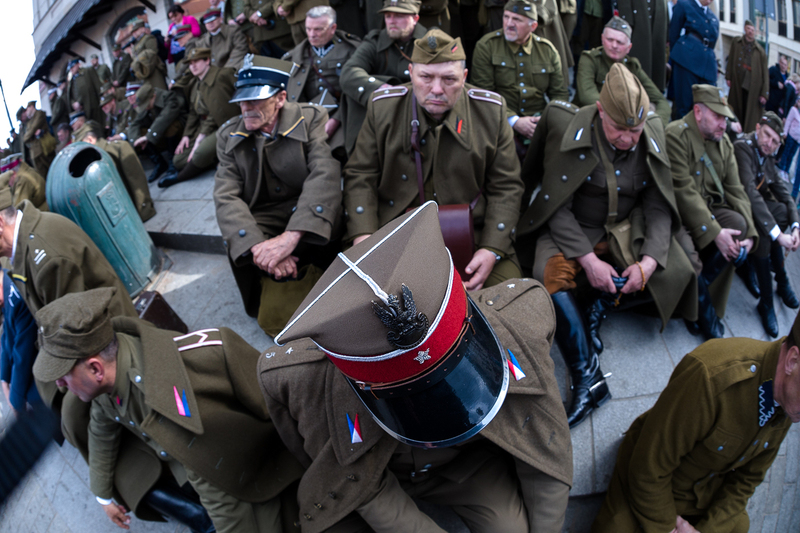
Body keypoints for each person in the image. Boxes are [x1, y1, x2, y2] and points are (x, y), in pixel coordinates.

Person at [261, 202, 573, 532]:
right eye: (402, 388)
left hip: (467, 466)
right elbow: (344, 473)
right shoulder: (301, 379)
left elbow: (543, 439)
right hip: (381, 474)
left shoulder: (518, 318)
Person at [31, 287, 304, 533]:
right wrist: (102, 495)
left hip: (254, 479)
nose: (60, 385)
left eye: (63, 376)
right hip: (199, 474)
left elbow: (221, 497)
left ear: (95, 369)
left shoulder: (176, 394)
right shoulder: (110, 374)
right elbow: (101, 431)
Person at [516, 63, 694, 427]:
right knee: (547, 276)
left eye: (636, 130)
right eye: (620, 129)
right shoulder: (566, 124)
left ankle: (600, 302)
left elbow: (659, 204)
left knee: (677, 272)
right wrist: (588, 261)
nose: (629, 139)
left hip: (627, 228)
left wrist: (646, 263)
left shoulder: (653, 131)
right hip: (575, 226)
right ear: (600, 111)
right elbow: (555, 204)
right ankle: (588, 377)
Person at [344, 29, 524, 291]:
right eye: (426, 77)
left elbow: (507, 187)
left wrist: (491, 249)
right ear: (411, 73)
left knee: (505, 302)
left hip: (472, 236)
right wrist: (364, 236)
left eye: (449, 79)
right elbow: (361, 175)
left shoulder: (491, 112)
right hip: (392, 235)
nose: (437, 89)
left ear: (464, 77)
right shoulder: (383, 107)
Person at [592, 308, 800, 533]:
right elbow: (648, 468)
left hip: (701, 493)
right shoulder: (713, 378)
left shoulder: (789, 399)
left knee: (739, 526)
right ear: (793, 360)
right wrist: (668, 528)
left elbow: (746, 482)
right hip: (651, 483)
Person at [214, 55, 342, 334]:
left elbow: (324, 172)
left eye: (256, 100)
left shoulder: (310, 118)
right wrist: (260, 249)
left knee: (330, 219)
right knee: (236, 239)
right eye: (242, 101)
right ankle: (268, 286)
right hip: (264, 217)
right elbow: (226, 195)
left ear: (281, 98)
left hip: (304, 207)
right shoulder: (228, 136)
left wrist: (291, 237)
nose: (246, 108)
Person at [666, 85, 757, 339]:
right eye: (717, 116)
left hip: (708, 211)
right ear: (697, 112)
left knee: (738, 227)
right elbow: (684, 192)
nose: (723, 124)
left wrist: (749, 235)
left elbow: (736, 189)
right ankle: (701, 314)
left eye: (725, 118)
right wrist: (716, 232)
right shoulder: (676, 135)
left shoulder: (723, 142)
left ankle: (702, 300)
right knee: (689, 257)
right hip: (677, 214)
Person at [734, 112, 800, 337]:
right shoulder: (744, 147)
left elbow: (785, 193)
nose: (769, 144)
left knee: (780, 212)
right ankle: (768, 299)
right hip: (737, 208)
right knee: (767, 231)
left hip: (754, 210)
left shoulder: (767, 155)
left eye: (774, 141)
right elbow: (750, 194)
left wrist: (796, 226)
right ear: (757, 127)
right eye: (767, 135)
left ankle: (779, 282)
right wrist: (779, 236)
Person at [471, 0, 569, 147]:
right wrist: (514, 121)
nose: (509, 23)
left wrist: (546, 122)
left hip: (539, 122)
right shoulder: (487, 46)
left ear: (533, 26)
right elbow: (484, 94)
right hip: (500, 120)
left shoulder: (547, 50)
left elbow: (559, 94)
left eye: (517, 19)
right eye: (506, 17)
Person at [339, 0, 427, 154]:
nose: (392, 21)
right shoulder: (375, 41)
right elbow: (349, 72)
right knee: (354, 93)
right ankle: (361, 154)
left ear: (415, 18)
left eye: (399, 16)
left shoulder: (430, 42)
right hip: (381, 111)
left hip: (420, 109)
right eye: (388, 16)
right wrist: (382, 89)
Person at [282, 5, 361, 161]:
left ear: (333, 28)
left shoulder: (351, 51)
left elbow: (356, 91)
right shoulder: (296, 55)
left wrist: (336, 119)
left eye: (318, 29)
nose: (312, 35)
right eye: (308, 29)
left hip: (343, 112)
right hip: (307, 114)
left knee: (340, 149)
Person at [574, 15, 670, 124]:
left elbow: (660, 100)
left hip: (624, 124)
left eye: (620, 42)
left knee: (651, 108)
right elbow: (587, 96)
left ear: (629, 47)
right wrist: (623, 113)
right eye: (610, 40)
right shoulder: (590, 59)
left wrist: (655, 125)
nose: (614, 45)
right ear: (602, 39)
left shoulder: (632, 66)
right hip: (592, 118)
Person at [166, 47, 239, 188]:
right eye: (190, 63)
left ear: (207, 61)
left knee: (199, 154)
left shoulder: (221, 76)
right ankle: (214, 158)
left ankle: (180, 177)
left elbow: (217, 112)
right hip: (205, 126)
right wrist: (186, 135)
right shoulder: (196, 83)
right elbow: (194, 112)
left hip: (224, 125)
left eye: (196, 61)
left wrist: (200, 137)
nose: (192, 66)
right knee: (179, 159)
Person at [73, 121, 156, 222]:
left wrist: (144, 210)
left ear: (90, 140)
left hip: (131, 213)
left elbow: (136, 180)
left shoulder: (118, 148)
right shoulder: (89, 161)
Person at [0, 266, 43, 415]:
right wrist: (4, 377)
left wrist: (15, 400)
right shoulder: (5, 288)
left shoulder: (16, 297)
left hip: (41, 368)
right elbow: (7, 334)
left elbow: (22, 356)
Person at [667, 0, 718, 120]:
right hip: (686, 61)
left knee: (706, 106)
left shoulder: (713, 17)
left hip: (707, 66)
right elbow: (673, 33)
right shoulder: (685, 5)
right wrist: (677, 58)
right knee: (684, 105)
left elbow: (712, 43)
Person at [128, 83, 186, 184]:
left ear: (153, 96)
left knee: (170, 126)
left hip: (179, 133)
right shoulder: (147, 102)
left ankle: (173, 162)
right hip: (161, 136)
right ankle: (159, 163)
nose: (145, 108)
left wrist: (149, 136)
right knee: (140, 132)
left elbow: (165, 117)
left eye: (147, 104)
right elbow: (134, 124)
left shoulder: (169, 97)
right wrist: (136, 141)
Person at [725, 20, 769, 133]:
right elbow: (731, 59)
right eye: (749, 29)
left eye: (753, 30)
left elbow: (765, 73)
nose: (751, 32)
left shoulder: (760, 51)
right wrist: (728, 76)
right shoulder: (736, 42)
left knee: (748, 112)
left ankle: (743, 134)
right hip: (738, 81)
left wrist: (764, 93)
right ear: (745, 29)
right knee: (735, 107)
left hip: (752, 86)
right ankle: (733, 129)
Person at [615, 0, 668, 92]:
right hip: (638, 26)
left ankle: (654, 92)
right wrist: (627, 25)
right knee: (639, 60)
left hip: (657, 24)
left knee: (656, 62)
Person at [22, 101, 57, 178]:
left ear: (31, 107)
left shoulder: (39, 114)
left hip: (43, 148)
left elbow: (32, 129)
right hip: (35, 152)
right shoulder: (30, 121)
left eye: (27, 109)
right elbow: (26, 135)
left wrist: (28, 136)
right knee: (42, 174)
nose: (27, 112)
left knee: (51, 170)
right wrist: (29, 135)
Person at [66, 58, 103, 124]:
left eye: (73, 67)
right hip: (81, 111)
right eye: (70, 68)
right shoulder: (71, 80)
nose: (71, 69)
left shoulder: (87, 71)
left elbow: (98, 87)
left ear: (78, 64)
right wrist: (74, 103)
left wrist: (102, 101)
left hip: (93, 107)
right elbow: (71, 95)